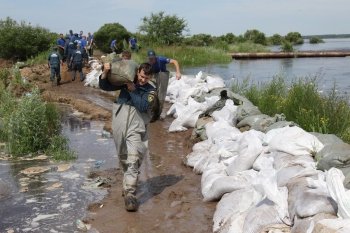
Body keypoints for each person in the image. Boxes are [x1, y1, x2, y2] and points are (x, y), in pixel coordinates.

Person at [99, 63, 156, 211]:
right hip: (120, 120)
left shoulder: (150, 91)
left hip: (136, 126)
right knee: (123, 155)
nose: (143, 79)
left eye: (146, 77)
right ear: (138, 72)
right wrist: (105, 73)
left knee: (134, 158)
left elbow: (143, 106)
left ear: (150, 77)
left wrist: (134, 90)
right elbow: (105, 86)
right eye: (142, 76)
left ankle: (130, 194)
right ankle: (127, 184)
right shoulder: (125, 82)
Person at [147, 49, 182, 118]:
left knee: (161, 95)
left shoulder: (161, 59)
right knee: (152, 93)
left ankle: (159, 112)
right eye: (150, 59)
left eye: (153, 58)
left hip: (163, 76)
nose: (152, 60)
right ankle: (151, 110)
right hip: (154, 77)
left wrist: (178, 72)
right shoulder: (148, 63)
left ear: (155, 57)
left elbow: (175, 61)